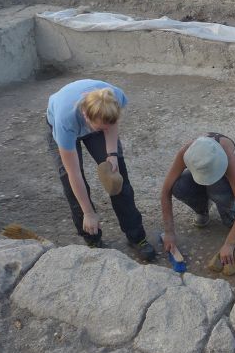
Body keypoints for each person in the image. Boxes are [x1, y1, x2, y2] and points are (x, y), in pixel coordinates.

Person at [46, 79, 156, 261]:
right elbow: (74, 173)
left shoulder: (115, 97)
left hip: (98, 120)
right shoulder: (65, 121)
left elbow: (111, 124)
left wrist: (112, 154)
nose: (105, 129)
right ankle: (92, 238)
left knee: (118, 178)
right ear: (85, 115)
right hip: (64, 123)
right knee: (71, 185)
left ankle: (137, 236)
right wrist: (89, 213)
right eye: (100, 128)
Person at [160, 133, 235, 266]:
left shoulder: (228, 156)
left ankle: (231, 218)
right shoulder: (187, 151)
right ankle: (202, 209)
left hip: (231, 180)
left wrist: (229, 243)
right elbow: (165, 191)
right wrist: (169, 232)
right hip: (205, 174)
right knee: (179, 186)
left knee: (218, 189)